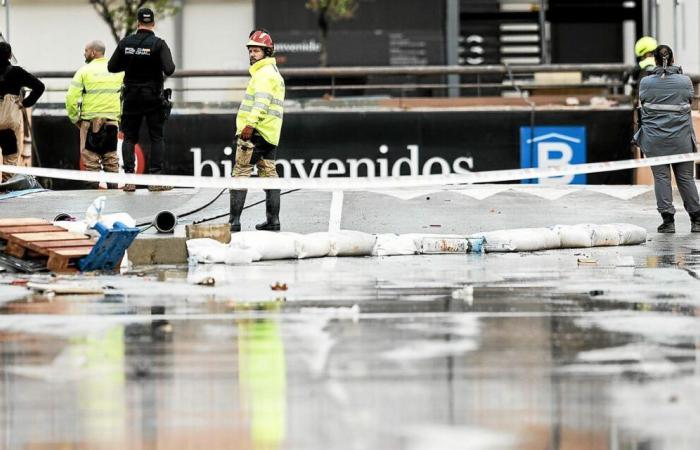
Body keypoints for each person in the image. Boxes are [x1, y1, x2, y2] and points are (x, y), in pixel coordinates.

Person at [108, 7, 175, 192]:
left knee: (129, 137)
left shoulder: (125, 43)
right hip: (153, 96)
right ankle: (155, 180)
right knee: (156, 137)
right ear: (153, 23)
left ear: (138, 23)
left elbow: (111, 67)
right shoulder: (159, 44)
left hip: (131, 97)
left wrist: (129, 61)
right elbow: (170, 69)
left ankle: (129, 180)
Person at [635, 45, 700, 233]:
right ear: (672, 59)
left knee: (662, 178)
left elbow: (643, 101)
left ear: (654, 60)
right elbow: (689, 100)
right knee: (686, 178)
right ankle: (696, 220)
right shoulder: (685, 81)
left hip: (655, 140)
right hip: (682, 139)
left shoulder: (645, 83)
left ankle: (668, 221)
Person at [229, 29, 285, 232]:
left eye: (257, 51)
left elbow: (261, 103)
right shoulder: (274, 74)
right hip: (270, 135)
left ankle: (233, 223)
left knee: (240, 173)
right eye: (251, 51)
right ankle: (273, 221)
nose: (252, 54)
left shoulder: (264, 74)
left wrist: (249, 125)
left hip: (254, 133)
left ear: (267, 52)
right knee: (269, 175)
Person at [66, 40, 124, 189]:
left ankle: (91, 201)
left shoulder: (84, 71)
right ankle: (114, 198)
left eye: (86, 50)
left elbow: (71, 98)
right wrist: (119, 115)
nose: (84, 53)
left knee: (91, 164)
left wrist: (75, 119)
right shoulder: (118, 70)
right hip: (111, 122)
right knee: (111, 162)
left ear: (93, 52)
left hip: (90, 123)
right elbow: (125, 94)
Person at [0, 41, 44, 182]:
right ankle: (6, 191)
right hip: (8, 125)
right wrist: (25, 103)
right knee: (10, 159)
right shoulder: (17, 73)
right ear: (10, 55)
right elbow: (39, 86)